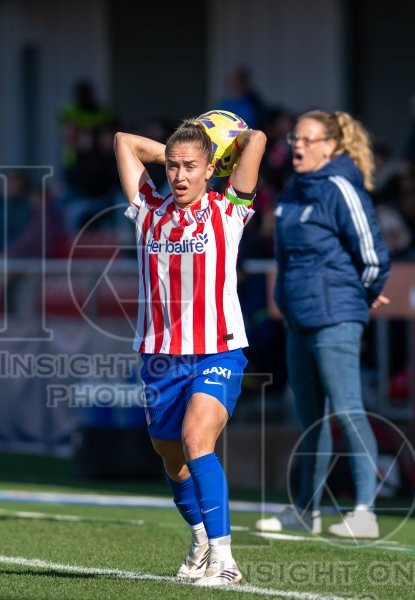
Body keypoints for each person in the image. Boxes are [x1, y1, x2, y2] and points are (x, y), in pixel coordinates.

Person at [114, 119, 266, 586]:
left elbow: (256, 140)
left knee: (197, 438)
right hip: (160, 357)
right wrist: (178, 150)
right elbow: (124, 141)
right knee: (171, 456)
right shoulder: (147, 209)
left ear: (210, 170)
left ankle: (225, 559)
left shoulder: (229, 209)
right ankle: (200, 538)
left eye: (190, 167)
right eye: (174, 167)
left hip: (218, 350)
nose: (179, 176)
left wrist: (216, 153)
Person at [256, 110, 391, 539]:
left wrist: (363, 294)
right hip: (298, 320)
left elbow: (373, 254)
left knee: (348, 410)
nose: (298, 145)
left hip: (336, 317)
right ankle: (306, 511)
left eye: (309, 140)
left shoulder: (339, 187)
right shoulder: (293, 192)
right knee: (311, 419)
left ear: (331, 146)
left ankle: (365, 511)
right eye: (296, 137)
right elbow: (285, 258)